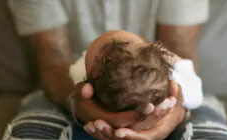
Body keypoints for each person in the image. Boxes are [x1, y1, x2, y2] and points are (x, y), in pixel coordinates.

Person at [0, 1, 227, 140]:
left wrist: (175, 110)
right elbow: (53, 63)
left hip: (165, 100)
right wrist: (86, 108)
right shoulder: (81, 76)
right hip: (67, 99)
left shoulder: (170, 69)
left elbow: (180, 58)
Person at [73, 30, 203, 131]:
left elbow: (73, 71)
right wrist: (178, 62)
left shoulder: (95, 88)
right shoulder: (175, 80)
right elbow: (197, 98)